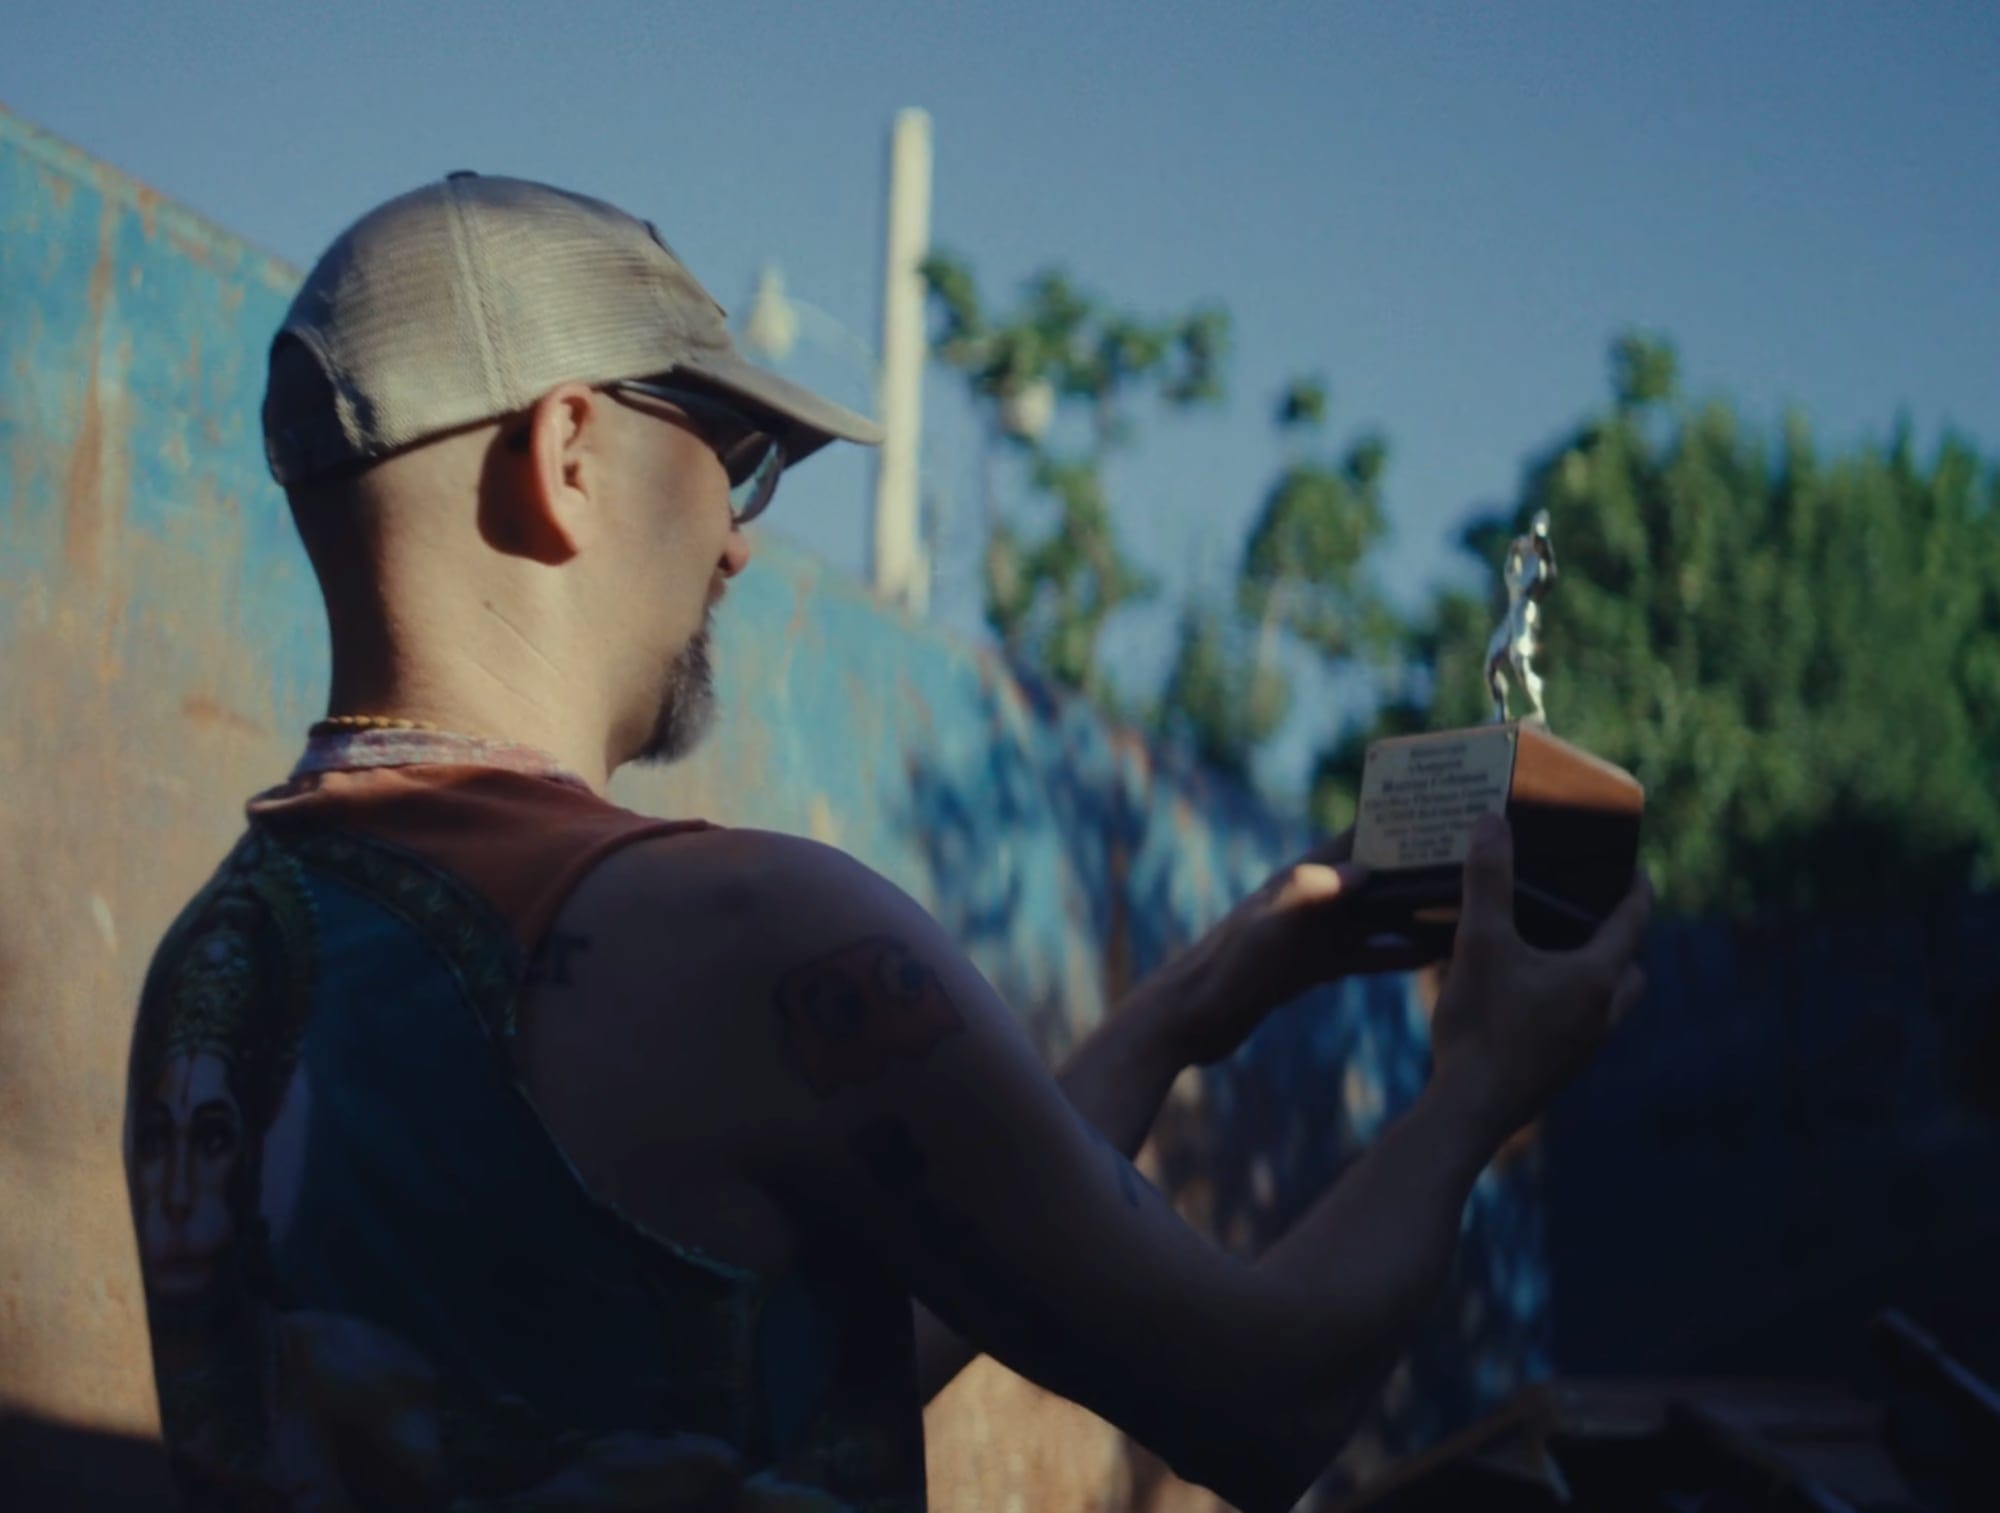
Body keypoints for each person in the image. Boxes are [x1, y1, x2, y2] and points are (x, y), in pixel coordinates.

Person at [125, 173, 1652, 1513]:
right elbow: (1263, 1402)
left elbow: (767, 1382)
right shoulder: (744, 932)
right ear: (568, 450)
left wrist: (1188, 1008)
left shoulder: (221, 964)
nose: (738, 534)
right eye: (728, 450)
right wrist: (1479, 1091)